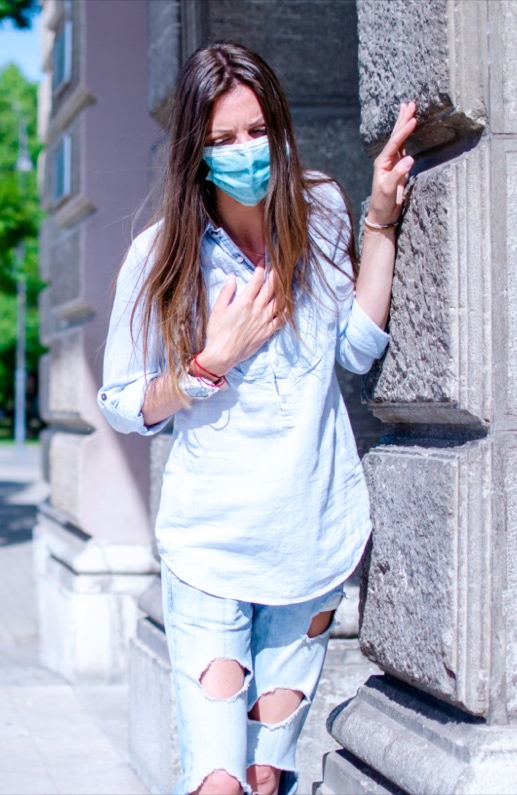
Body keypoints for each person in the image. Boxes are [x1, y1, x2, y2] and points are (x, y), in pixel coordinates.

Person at [98, 42, 415, 795]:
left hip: (311, 543)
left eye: (256, 130)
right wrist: (211, 360)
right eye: (222, 139)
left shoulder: (321, 212)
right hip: (212, 551)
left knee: (269, 777)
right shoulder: (163, 257)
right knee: (219, 781)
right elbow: (122, 401)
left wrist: (379, 222)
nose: (245, 150)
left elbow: (359, 348)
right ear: (195, 152)